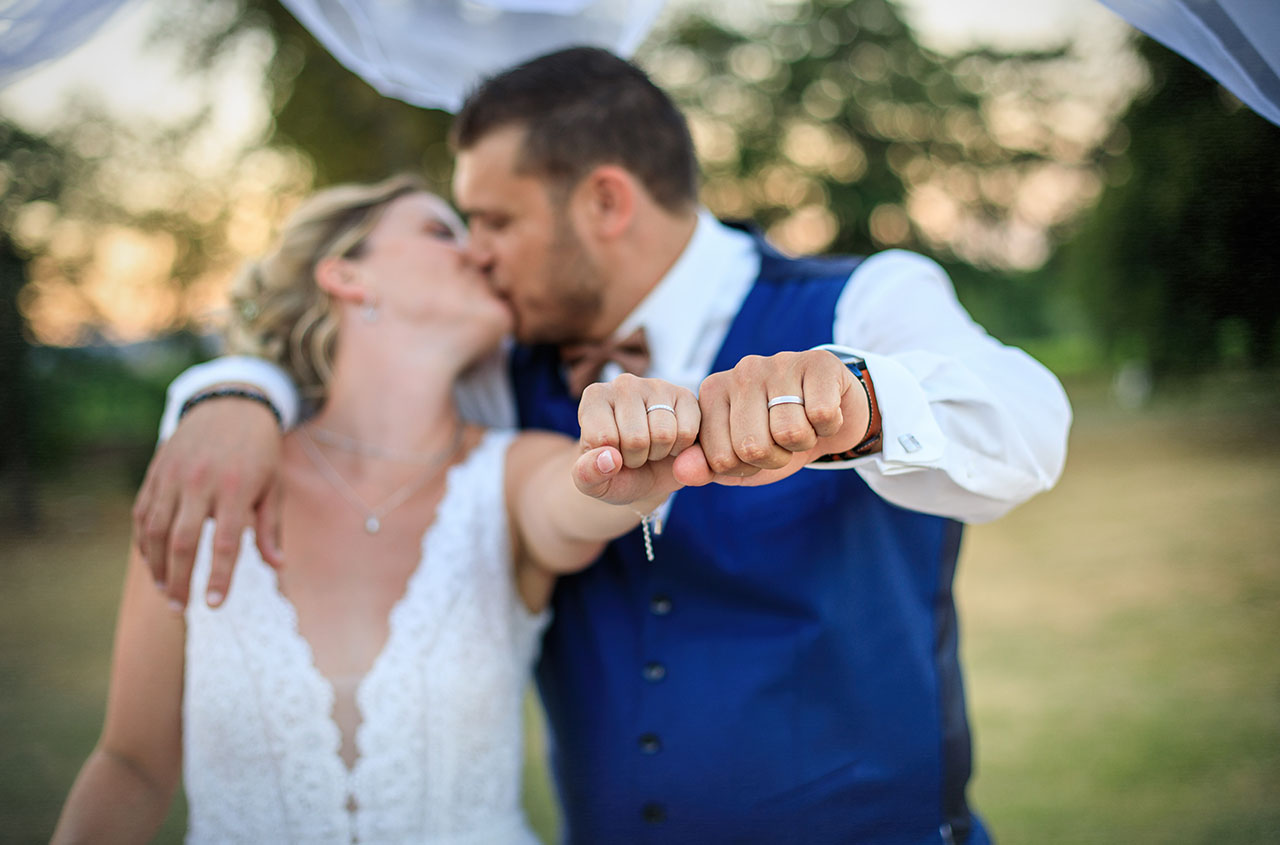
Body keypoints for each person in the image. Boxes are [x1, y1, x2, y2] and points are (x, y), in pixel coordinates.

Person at [137, 48, 1072, 843]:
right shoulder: (499, 365)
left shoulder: (866, 296)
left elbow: (1028, 426)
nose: (480, 254)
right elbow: (335, 379)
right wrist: (227, 394)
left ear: (607, 202)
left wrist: (856, 399)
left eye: (497, 221)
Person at [53, 175, 804, 843]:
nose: (480, 250)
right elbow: (131, 763)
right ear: (346, 274)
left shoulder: (511, 470)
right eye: (441, 230)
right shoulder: (207, 473)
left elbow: (572, 498)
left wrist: (626, 468)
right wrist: (229, 391)